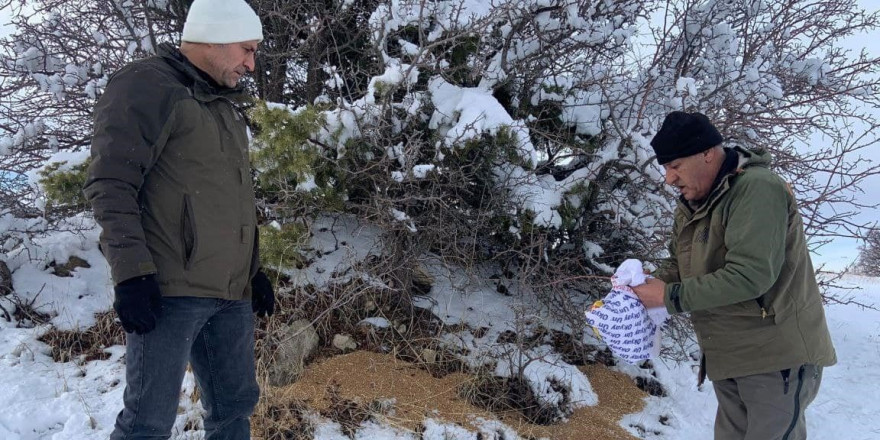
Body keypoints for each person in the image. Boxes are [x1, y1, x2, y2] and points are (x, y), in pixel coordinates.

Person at [83, 0, 275, 438]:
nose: (251, 63)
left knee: (234, 410)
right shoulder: (147, 84)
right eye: (246, 49)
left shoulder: (223, 105)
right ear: (215, 37)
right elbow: (111, 183)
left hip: (231, 294)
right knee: (146, 423)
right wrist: (132, 275)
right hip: (169, 292)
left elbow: (232, 200)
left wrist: (253, 270)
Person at [632, 111, 836, 440]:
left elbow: (751, 275)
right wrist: (643, 285)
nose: (669, 179)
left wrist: (670, 297)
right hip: (729, 357)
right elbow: (679, 265)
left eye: (675, 166)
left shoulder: (757, 189)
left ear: (707, 154)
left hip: (774, 357)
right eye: (665, 169)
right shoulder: (692, 203)